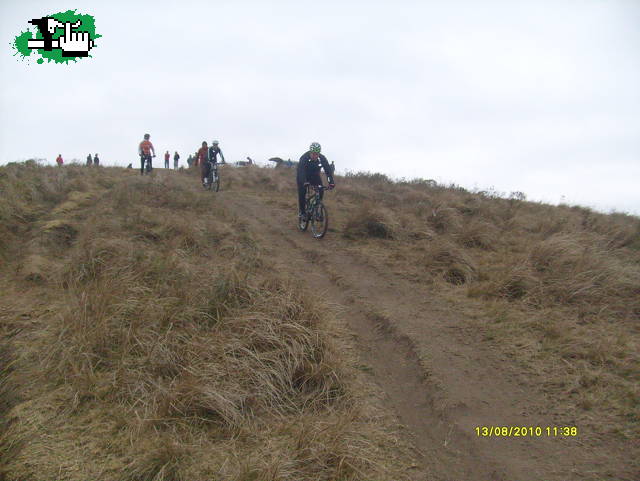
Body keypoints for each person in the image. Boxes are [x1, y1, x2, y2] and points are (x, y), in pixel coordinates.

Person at [296, 142, 335, 219]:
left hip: (315, 176)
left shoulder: (322, 158)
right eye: (313, 154)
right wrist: (304, 182)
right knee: (302, 192)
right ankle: (302, 212)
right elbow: (301, 171)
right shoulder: (304, 158)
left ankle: (317, 207)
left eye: (317, 154)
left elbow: (328, 171)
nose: (315, 156)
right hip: (303, 177)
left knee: (321, 190)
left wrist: (331, 182)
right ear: (310, 152)